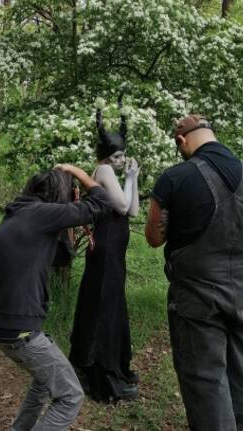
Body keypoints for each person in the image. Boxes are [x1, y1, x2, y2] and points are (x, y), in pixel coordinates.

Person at [145, 114, 243, 431]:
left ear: (181, 141)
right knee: (237, 375)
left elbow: (154, 238)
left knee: (206, 382)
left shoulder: (175, 177)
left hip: (198, 302)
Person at [0, 164, 111, 431]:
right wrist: (77, 172)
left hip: (6, 326)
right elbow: (102, 202)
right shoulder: (40, 214)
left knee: (43, 382)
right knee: (71, 396)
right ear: (58, 194)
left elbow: (63, 258)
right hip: (21, 329)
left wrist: (64, 224)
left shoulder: (19, 213)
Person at [69, 98, 140, 402]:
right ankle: (98, 368)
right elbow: (123, 206)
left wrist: (133, 180)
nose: (122, 160)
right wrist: (130, 177)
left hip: (114, 248)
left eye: (124, 155)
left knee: (109, 302)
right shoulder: (104, 172)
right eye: (118, 155)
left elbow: (133, 211)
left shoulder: (113, 173)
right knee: (103, 303)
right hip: (107, 248)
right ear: (106, 156)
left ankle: (106, 362)